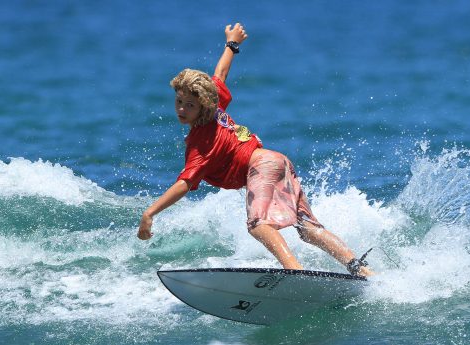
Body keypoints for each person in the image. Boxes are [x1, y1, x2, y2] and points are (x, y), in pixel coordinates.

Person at [137, 23, 374, 277]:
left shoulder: (200, 143)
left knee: (258, 224)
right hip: (277, 161)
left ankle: (295, 271)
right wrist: (232, 44)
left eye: (190, 105)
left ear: (204, 105)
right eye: (179, 101)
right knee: (306, 227)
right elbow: (221, 73)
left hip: (260, 166)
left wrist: (150, 212)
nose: (182, 109)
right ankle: (360, 270)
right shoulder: (216, 104)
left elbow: (184, 183)